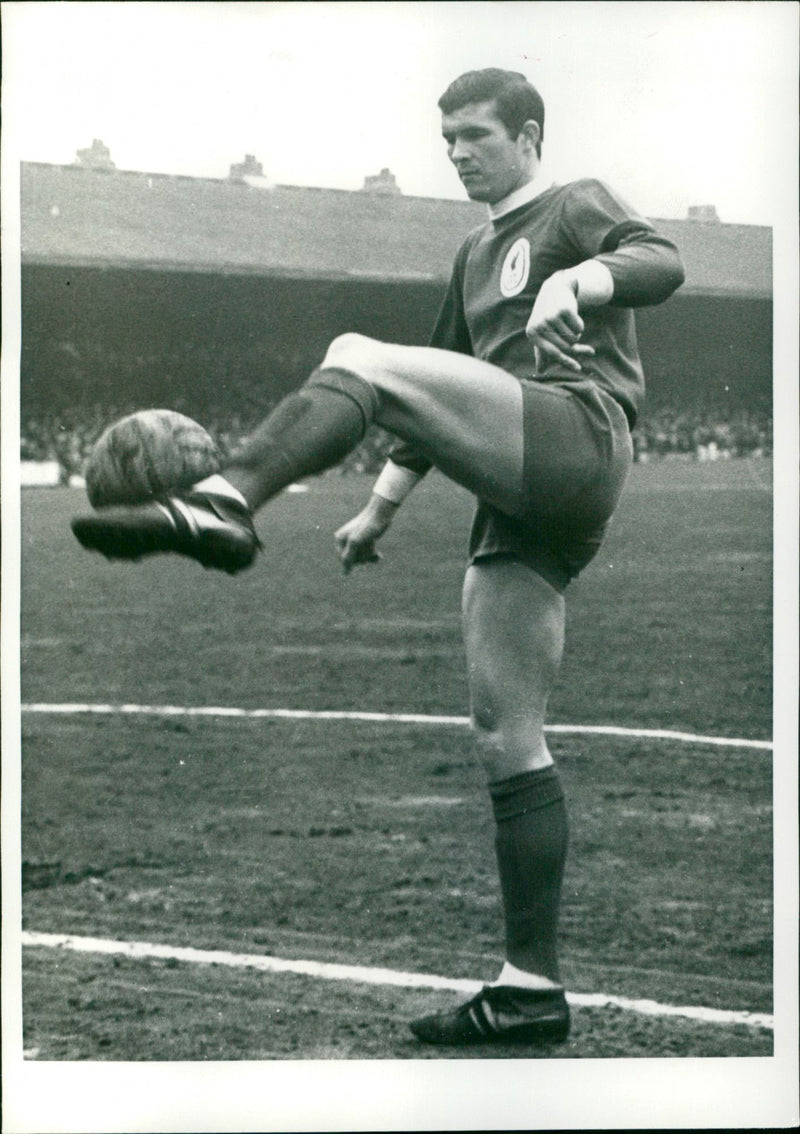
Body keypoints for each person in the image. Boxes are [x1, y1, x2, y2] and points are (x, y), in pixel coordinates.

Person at [72, 68, 685, 1046]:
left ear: (527, 135)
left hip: (576, 432)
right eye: (444, 137)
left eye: (474, 134)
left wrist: (583, 275)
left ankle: (224, 502)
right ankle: (529, 988)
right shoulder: (470, 255)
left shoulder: (573, 204)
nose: (455, 152)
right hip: (518, 499)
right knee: (505, 735)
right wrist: (378, 511)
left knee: (356, 348)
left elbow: (661, 259)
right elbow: (427, 404)